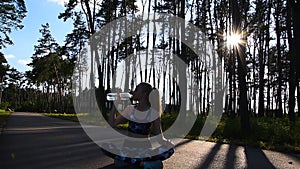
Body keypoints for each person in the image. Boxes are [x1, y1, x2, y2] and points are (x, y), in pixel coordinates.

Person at [103, 82, 174, 168]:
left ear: (144, 94)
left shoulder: (153, 113)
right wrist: (115, 106)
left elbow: (160, 138)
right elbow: (112, 124)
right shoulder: (130, 109)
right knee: (105, 147)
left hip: (144, 150)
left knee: (167, 152)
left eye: (136, 90)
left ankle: (132, 161)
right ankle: (140, 163)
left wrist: (167, 143)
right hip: (128, 148)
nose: (133, 92)